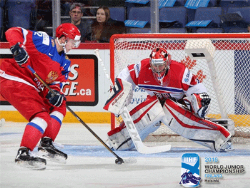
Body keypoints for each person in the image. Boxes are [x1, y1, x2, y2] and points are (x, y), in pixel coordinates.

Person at [104, 48, 233, 152]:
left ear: (167, 63)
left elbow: (199, 92)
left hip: (179, 106)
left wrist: (199, 103)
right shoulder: (142, 68)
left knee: (172, 110)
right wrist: (119, 94)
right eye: (155, 65)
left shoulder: (180, 72)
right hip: (154, 104)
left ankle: (219, 139)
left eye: (161, 65)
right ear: (150, 63)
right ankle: (119, 140)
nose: (158, 69)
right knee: (149, 111)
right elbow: (125, 76)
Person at [0, 23, 81, 169]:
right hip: (13, 77)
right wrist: (17, 48)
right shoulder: (43, 41)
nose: (75, 45)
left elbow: (55, 84)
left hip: (31, 85)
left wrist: (55, 93)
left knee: (60, 103)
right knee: (41, 116)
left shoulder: (65, 62)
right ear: (62, 39)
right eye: (73, 41)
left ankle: (46, 144)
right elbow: (13, 31)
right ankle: (24, 153)